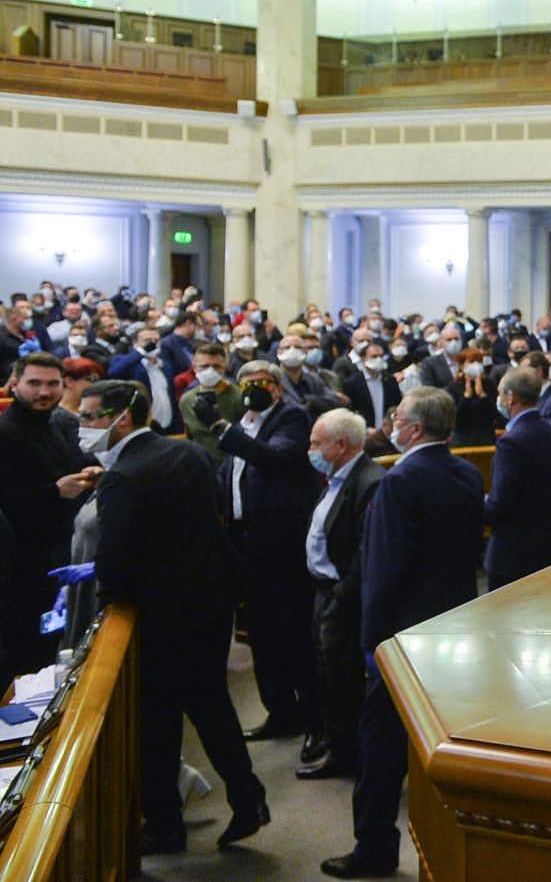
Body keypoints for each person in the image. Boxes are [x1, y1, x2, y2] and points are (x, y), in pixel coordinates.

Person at [82, 380, 266, 854]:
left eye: (89, 417)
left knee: (158, 722)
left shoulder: (122, 476)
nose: (82, 426)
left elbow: (116, 564)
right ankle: (248, 798)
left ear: (120, 417)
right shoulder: (185, 453)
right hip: (210, 603)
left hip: (161, 617)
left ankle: (164, 824)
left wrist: (108, 606)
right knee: (211, 704)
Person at [322, 388, 483, 879]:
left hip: (401, 636)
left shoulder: (399, 482)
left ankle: (373, 847)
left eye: (398, 418)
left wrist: (371, 643)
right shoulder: (467, 472)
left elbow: (383, 571)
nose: (391, 423)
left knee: (380, 746)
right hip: (452, 624)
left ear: (414, 429)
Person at [199, 360, 325, 760]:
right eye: (246, 383)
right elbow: (231, 476)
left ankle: (314, 721)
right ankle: (280, 711)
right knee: (264, 636)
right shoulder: (245, 422)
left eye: (262, 383)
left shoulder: (291, 417)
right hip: (247, 545)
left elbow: (273, 459)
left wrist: (223, 430)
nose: (254, 389)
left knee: (295, 635)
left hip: (284, 547)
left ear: (276, 387)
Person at [301, 408, 385, 781]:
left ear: (340, 445)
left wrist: (339, 597)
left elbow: (366, 553)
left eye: (316, 443)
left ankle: (346, 754)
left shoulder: (369, 482)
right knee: (327, 675)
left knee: (343, 679)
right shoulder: (333, 478)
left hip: (344, 598)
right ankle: (336, 743)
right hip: (324, 591)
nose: (311, 449)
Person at [0, 353, 93, 680]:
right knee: (28, 650)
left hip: (61, 552)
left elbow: (73, 465)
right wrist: (54, 491)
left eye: (52, 384)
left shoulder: (58, 424)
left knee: (56, 641)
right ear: (15, 385)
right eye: (34, 383)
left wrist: (90, 473)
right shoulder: (5, 432)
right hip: (22, 565)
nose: (44, 391)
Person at [483, 368, 551, 590]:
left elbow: (500, 504)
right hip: (550, 545)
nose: (499, 399)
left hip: (513, 554)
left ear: (510, 397)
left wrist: (476, 505)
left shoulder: (510, 442)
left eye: (501, 393)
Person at [108, 325, 182, 434]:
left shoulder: (165, 366)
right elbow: (114, 372)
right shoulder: (129, 362)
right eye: (147, 341)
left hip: (168, 424)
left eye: (156, 341)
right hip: (143, 425)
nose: (152, 344)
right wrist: (142, 351)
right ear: (135, 344)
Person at [179, 342, 243, 464]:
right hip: (201, 466)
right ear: (195, 367)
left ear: (224, 367)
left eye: (216, 366)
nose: (210, 371)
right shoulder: (186, 400)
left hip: (232, 464)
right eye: (205, 366)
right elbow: (190, 437)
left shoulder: (238, 397)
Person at [341, 339, 401, 429]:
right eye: (374, 356)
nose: (378, 359)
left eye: (381, 356)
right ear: (363, 358)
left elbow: (396, 406)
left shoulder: (390, 381)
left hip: (386, 432)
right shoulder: (351, 384)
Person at [447, 347, 498, 446]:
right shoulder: (453, 386)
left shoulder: (489, 384)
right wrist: (466, 397)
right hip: (462, 437)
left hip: (486, 436)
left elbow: (495, 414)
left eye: (479, 361)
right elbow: (455, 419)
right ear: (462, 365)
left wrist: (483, 396)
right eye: (471, 362)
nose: (476, 365)